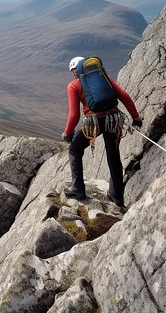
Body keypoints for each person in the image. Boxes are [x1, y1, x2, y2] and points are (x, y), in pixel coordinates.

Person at [61, 56, 142, 207]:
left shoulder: (74, 85)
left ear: (74, 71)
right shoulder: (104, 78)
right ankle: (116, 197)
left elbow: (74, 114)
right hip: (115, 119)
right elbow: (124, 96)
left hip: (94, 122)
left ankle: (78, 189)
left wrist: (67, 133)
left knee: (75, 149)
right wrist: (136, 118)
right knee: (113, 156)